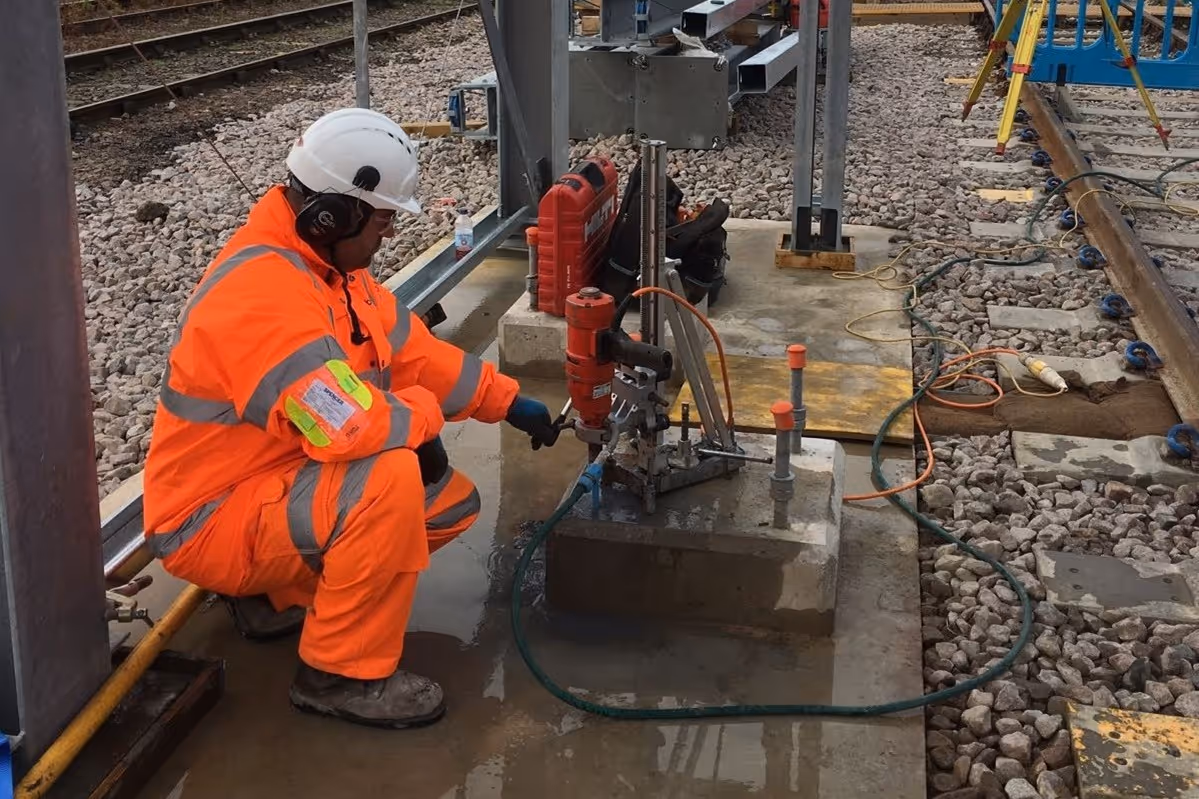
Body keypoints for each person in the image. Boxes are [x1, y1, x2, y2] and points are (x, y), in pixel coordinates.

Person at [142, 107, 558, 729]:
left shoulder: (333, 273)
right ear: (334, 214)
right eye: (385, 218)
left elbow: (412, 354)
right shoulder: (261, 296)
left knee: (444, 504)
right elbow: (347, 427)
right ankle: (339, 674)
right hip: (207, 518)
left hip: (269, 486)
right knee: (387, 481)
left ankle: (266, 596)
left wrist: (506, 401)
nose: (388, 235)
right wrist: (421, 421)